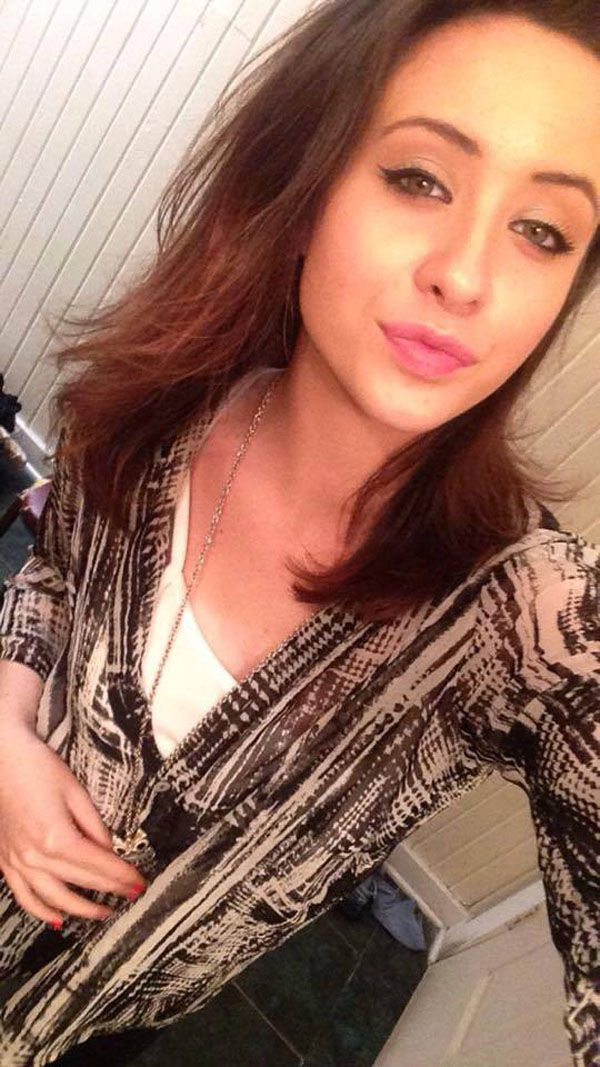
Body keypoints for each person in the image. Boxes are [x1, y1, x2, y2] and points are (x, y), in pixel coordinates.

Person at [0, 0, 598, 1063]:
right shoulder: (152, 402)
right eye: (420, 179)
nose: (466, 275)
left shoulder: (530, 620)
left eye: (541, 231)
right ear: (304, 181)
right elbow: (52, 575)